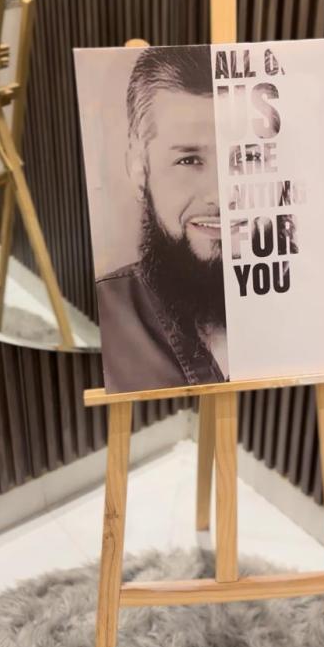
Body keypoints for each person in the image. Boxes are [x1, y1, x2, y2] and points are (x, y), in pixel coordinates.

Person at [96, 45, 228, 393]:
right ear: (139, 171)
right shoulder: (105, 315)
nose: (220, 195)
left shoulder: (310, 302)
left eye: (241, 158)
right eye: (189, 160)